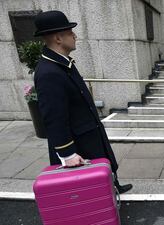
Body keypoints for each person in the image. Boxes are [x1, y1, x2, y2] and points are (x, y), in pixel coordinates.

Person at [33, 11, 132, 193]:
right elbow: (54, 119)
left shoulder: (62, 63)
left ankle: (113, 188)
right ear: (58, 38)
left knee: (102, 170)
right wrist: (67, 154)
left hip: (88, 133)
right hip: (78, 141)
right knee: (85, 188)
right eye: (71, 33)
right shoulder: (48, 72)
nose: (75, 36)